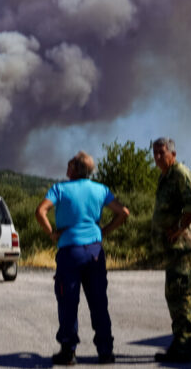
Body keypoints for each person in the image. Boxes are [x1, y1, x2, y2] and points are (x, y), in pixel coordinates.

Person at [35, 151, 129, 366]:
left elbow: (40, 211)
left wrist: (51, 233)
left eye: (69, 165)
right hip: (95, 251)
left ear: (76, 169)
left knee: (68, 301)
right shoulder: (101, 189)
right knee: (98, 302)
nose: (66, 169)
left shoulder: (59, 189)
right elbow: (124, 212)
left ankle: (68, 352)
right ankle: (105, 351)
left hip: (70, 251)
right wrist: (103, 231)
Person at [151, 137, 191, 363]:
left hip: (183, 246)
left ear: (172, 154)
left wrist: (178, 228)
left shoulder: (179, 173)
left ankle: (182, 345)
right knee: (187, 293)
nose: (157, 157)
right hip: (176, 247)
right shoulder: (166, 176)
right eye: (155, 153)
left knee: (177, 293)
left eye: (161, 153)